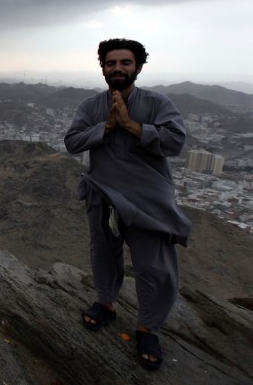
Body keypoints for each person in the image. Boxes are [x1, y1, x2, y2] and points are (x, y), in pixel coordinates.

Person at [64, 38, 191, 371]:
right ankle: (105, 303)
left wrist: (132, 125)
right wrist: (106, 125)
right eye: (111, 63)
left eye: (125, 62)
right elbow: (72, 141)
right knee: (104, 252)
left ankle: (148, 327)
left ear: (137, 66)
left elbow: (176, 141)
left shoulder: (157, 103)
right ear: (103, 68)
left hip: (147, 197)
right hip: (103, 192)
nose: (117, 68)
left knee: (154, 266)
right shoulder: (91, 107)